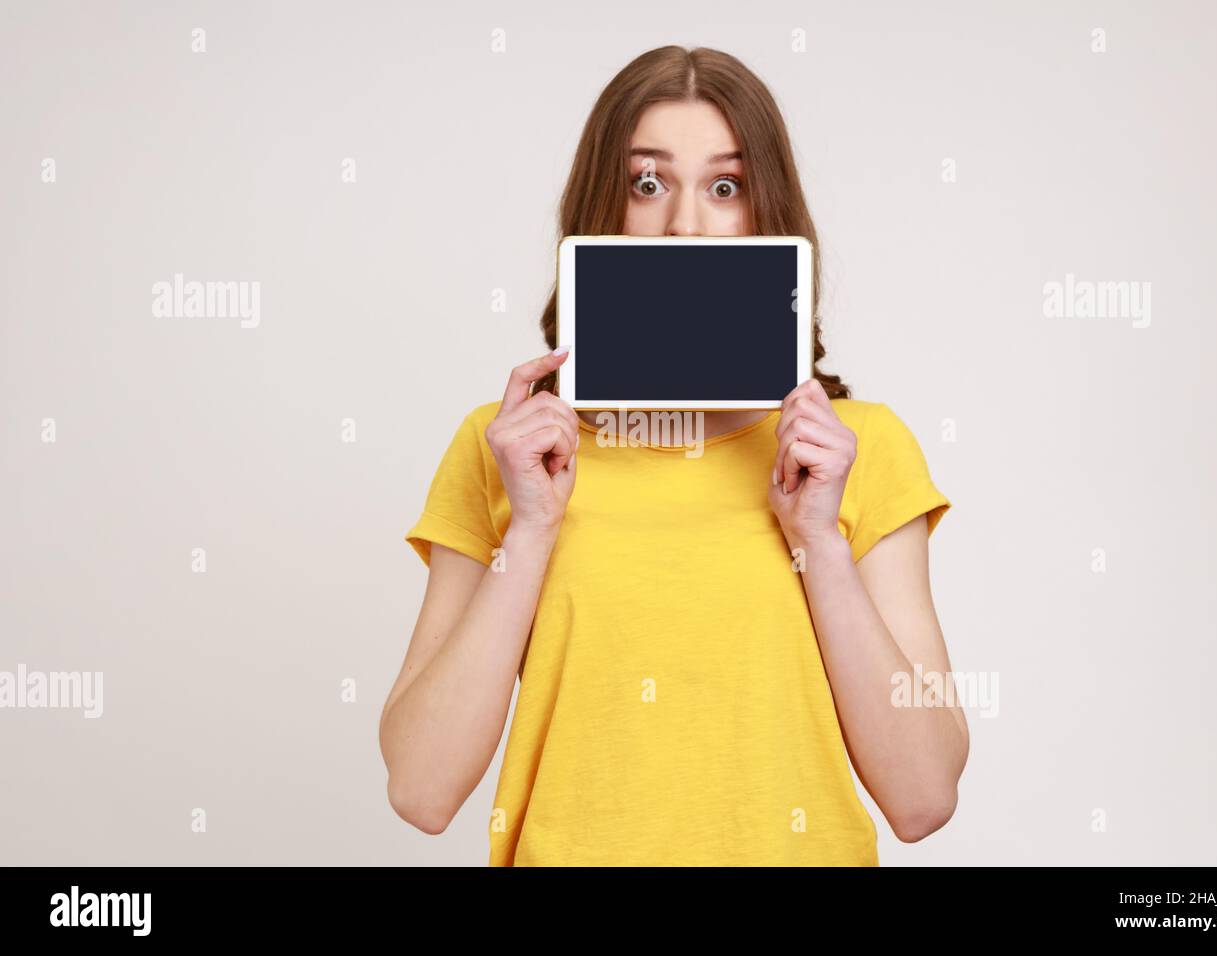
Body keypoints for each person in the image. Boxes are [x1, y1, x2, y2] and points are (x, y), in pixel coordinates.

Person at [379, 45, 968, 866]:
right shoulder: (508, 450)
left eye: (726, 187)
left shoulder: (859, 447)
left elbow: (925, 795)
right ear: (600, 209)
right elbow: (420, 787)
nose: (686, 222)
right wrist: (531, 533)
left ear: (768, 216)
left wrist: (821, 543)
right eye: (646, 183)